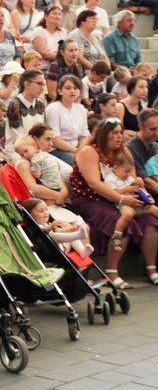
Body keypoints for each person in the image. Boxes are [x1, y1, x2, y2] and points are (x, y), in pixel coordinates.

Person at [71, 117, 158, 288]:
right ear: (104, 135)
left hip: (122, 196)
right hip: (91, 199)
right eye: (114, 133)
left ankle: (152, 269)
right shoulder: (89, 151)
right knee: (121, 221)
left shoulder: (124, 152)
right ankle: (112, 272)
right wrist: (121, 198)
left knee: (150, 221)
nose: (119, 136)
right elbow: (95, 184)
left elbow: (133, 180)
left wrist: (145, 196)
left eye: (120, 132)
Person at [104, 151, 158, 250]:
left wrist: (140, 183)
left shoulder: (128, 178)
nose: (128, 174)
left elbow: (137, 188)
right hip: (123, 204)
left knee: (155, 209)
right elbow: (111, 194)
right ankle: (116, 236)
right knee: (128, 214)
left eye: (129, 172)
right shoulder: (110, 179)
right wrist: (126, 189)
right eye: (126, 171)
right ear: (116, 167)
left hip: (136, 203)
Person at [23, 198, 94, 257]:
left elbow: (60, 230)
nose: (45, 213)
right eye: (41, 211)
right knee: (54, 235)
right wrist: (51, 227)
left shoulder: (47, 224)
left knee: (67, 234)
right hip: (51, 251)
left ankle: (82, 251)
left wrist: (72, 229)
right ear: (30, 215)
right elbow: (42, 233)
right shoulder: (35, 227)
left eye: (46, 210)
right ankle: (79, 235)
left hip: (62, 246)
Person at [15, 132, 68, 205]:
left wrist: (60, 196)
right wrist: (58, 196)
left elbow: (60, 183)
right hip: (43, 202)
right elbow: (32, 188)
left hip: (55, 197)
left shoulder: (46, 157)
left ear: (34, 145)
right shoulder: (23, 163)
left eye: (26, 151)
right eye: (22, 154)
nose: (25, 155)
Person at [127, 108, 158, 197]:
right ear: (140, 127)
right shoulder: (129, 149)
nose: (157, 132)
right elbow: (146, 181)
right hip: (143, 194)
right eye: (152, 129)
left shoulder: (155, 146)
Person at [31, 4, 67, 72]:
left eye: (59, 14)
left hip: (60, 67)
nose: (57, 16)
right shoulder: (39, 31)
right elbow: (44, 54)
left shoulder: (63, 32)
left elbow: (66, 50)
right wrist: (62, 55)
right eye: (54, 14)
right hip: (43, 68)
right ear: (45, 16)